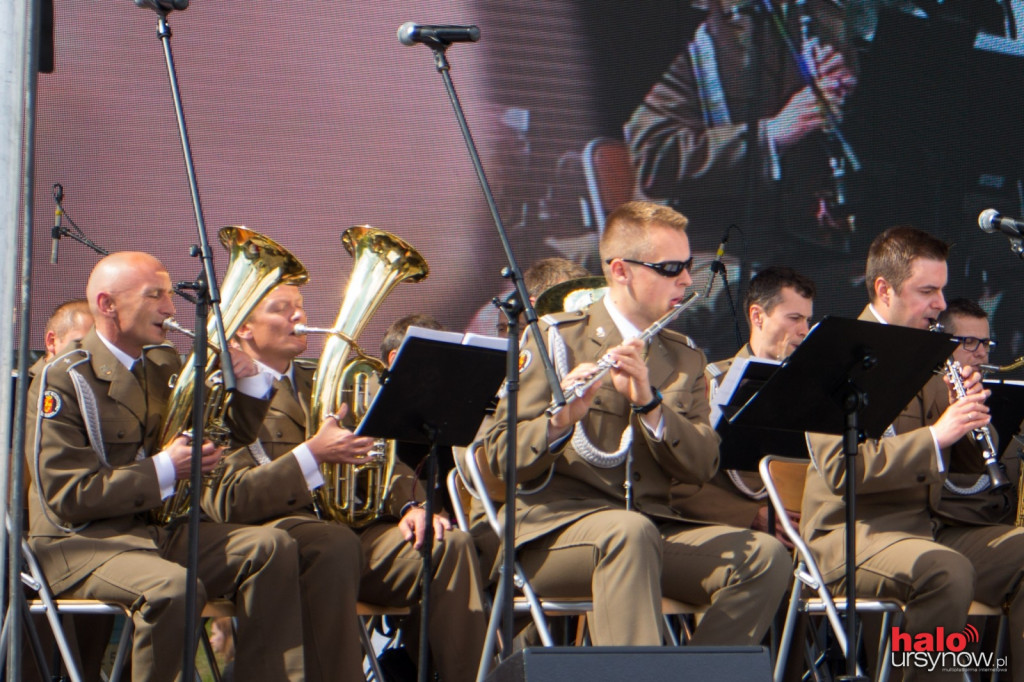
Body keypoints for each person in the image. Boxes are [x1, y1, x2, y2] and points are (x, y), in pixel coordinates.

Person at [484, 200, 790, 646]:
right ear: (621, 271)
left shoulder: (684, 355)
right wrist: (557, 424)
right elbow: (497, 457)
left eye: (688, 265)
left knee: (765, 558)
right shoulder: (555, 337)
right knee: (628, 534)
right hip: (554, 533)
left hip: (650, 527)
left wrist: (651, 406)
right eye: (669, 267)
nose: (687, 279)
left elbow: (704, 463)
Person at [26, 252, 306, 682]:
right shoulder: (64, 377)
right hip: (80, 543)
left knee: (272, 548)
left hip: (151, 535)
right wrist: (165, 468)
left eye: (169, 294)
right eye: (154, 295)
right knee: (173, 588)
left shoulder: (162, 366)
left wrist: (248, 381)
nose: (171, 308)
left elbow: (223, 437)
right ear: (107, 305)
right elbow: (68, 497)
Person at [203, 285, 488, 682]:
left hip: (352, 535)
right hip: (277, 537)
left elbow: (380, 454)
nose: (299, 318)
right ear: (244, 329)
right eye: (281, 310)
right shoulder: (220, 391)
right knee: (331, 545)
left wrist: (411, 506)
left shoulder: (328, 378)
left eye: (300, 307)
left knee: (446, 544)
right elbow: (228, 500)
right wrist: (312, 455)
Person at [799, 227, 1024, 680]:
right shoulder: (830, 354)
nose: (941, 304)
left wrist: (970, 418)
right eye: (928, 291)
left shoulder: (930, 354)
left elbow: (965, 466)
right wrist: (939, 435)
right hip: (851, 535)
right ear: (884, 289)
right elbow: (847, 471)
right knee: (946, 570)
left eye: (941, 290)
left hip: (930, 528)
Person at [624, 0, 861, 324]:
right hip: (694, 243)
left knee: (873, 292)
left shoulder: (814, 19)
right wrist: (771, 135)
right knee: (760, 306)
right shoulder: (686, 26)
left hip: (781, 236)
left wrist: (834, 96)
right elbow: (655, 159)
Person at [673, 265, 815, 536]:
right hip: (744, 535)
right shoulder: (708, 384)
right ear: (757, 316)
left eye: (807, 320)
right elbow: (679, 482)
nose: (804, 330)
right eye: (794, 318)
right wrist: (749, 516)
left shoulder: (814, 386)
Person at [936, 299, 1018, 527]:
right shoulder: (927, 392)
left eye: (985, 343)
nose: (982, 353)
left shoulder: (985, 394)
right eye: (970, 342)